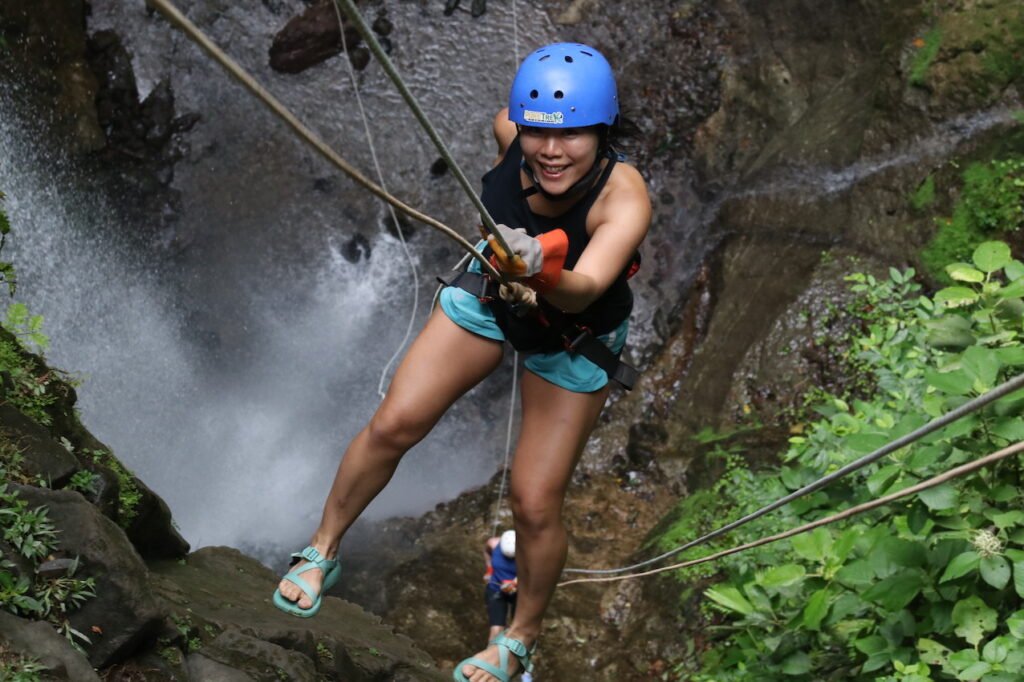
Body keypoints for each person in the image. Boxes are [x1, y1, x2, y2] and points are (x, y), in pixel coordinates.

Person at [273, 42, 650, 682]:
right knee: (396, 422)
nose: (551, 153)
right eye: (539, 134)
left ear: (603, 131)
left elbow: (587, 285)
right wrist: (513, 268)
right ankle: (321, 549)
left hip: (572, 330)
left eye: (574, 137)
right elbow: (509, 128)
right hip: (494, 294)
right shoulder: (512, 134)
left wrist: (541, 267)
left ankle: (519, 637)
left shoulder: (625, 197)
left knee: (534, 503)